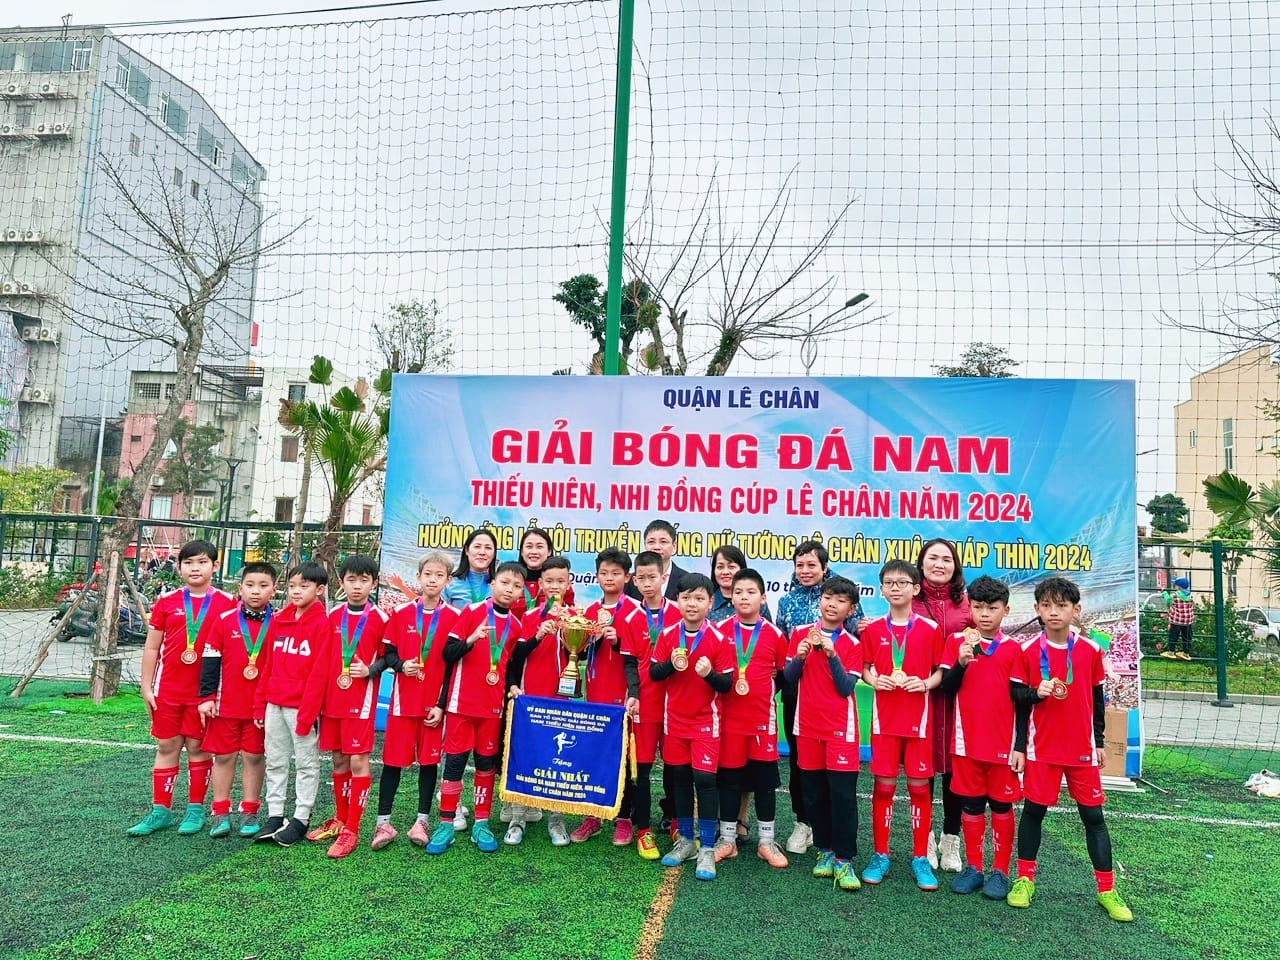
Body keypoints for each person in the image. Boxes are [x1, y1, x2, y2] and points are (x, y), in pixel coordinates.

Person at [1008, 577, 1133, 922]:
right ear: (1037, 609)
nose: (1054, 612)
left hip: (1081, 751)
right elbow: (1017, 698)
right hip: (1041, 750)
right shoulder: (1026, 651)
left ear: (1076, 610)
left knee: (1093, 817)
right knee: (1034, 812)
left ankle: (1107, 890)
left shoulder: (1091, 650)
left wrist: (1098, 742)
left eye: (1061, 605)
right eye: (1046, 605)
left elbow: (1097, 701)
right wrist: (1033, 702)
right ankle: (1024, 880)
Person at [128, 539, 237, 837]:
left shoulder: (228, 603)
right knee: (166, 746)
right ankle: (160, 810)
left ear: (215, 566)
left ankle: (195, 809)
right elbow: (152, 647)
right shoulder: (167, 601)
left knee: (198, 748)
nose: (195, 568)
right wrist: (146, 687)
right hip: (168, 691)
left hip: (205, 694)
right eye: (188, 563)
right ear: (179, 568)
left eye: (202, 562)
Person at [427, 560, 525, 855]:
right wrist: (471, 639)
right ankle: (446, 823)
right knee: (455, 764)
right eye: (504, 583)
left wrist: (512, 685)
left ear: (521, 592)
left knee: (485, 765)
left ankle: (482, 823)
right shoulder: (471, 612)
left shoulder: (516, 626)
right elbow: (447, 654)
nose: (509, 590)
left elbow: (508, 665)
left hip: (492, 708)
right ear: (492, 584)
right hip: (461, 705)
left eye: (516, 586)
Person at [860, 559, 945, 891]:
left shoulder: (930, 629)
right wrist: (873, 680)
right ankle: (880, 854)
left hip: (918, 722)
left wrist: (923, 684)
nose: (895, 588)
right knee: (883, 787)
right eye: (889, 583)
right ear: (881, 589)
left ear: (916, 588)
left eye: (902, 582)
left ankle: (920, 857)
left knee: (919, 789)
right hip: (884, 721)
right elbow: (865, 667)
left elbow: (940, 672)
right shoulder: (873, 630)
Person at [937, 575, 1022, 899]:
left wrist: (1019, 746)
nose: (984, 614)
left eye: (992, 608)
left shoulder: (1014, 649)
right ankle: (974, 867)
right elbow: (947, 688)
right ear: (970, 608)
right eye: (978, 607)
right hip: (965, 742)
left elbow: (1022, 701)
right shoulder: (957, 642)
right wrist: (960, 663)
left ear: (1005, 610)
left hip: (1002, 745)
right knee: (971, 806)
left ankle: (1000, 871)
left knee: (1001, 806)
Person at [774, 539, 861, 855]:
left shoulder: (851, 639)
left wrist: (833, 654)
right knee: (809, 784)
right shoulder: (794, 621)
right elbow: (788, 672)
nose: (831, 605)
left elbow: (846, 685)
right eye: (828, 598)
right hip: (804, 714)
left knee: (840, 792)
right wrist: (798, 657)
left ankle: (843, 855)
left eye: (840, 601)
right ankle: (815, 839)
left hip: (837, 719)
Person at [650, 573, 734, 881]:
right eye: (686, 598)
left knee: (705, 780)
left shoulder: (720, 639)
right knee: (680, 779)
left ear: (710, 603)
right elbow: (654, 673)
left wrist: (710, 674)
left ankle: (707, 847)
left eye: (699, 598)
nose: (692, 604)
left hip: (705, 723)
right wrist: (670, 664)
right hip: (675, 721)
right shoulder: (668, 634)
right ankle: (686, 840)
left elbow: (727, 684)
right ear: (678, 601)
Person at [373, 553, 457, 850]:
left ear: (448, 580)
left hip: (433, 707)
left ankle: (422, 821)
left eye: (439, 575)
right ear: (419, 577)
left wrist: (442, 705)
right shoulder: (401, 613)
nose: (433, 580)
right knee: (392, 764)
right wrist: (400, 665)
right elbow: (388, 653)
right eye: (428, 574)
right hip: (402, 705)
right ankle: (383, 823)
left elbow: (453, 667)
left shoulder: (454, 617)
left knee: (429, 764)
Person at [714, 568, 789, 869]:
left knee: (764, 783)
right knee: (730, 780)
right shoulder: (719, 631)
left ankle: (766, 842)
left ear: (763, 597)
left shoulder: (775, 635)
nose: (744, 597)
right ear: (731, 598)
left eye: (751, 592)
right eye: (738, 592)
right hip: (729, 720)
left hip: (761, 721)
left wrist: (764, 692)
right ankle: (727, 840)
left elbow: (782, 674)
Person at [251, 562, 331, 846]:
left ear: (319, 590)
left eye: (304, 586)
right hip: (274, 704)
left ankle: (301, 817)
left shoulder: (322, 625)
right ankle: (275, 814)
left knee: (306, 763)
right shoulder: (279, 620)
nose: (296, 591)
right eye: (292, 586)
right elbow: (267, 665)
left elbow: (319, 675)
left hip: (301, 709)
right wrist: (260, 705)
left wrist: (308, 714)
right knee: (275, 760)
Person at [197, 561, 278, 838]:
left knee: (254, 757)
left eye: (263, 586)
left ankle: (250, 811)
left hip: (261, 707)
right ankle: (220, 812)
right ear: (240, 588)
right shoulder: (224, 620)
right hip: (225, 704)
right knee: (224, 756)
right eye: (250, 585)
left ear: (274, 590)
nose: (256, 591)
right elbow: (210, 661)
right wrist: (207, 696)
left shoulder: (279, 623)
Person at [574, 548, 644, 846]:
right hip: (595, 694)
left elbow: (641, 656)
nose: (609, 578)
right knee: (593, 753)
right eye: (604, 573)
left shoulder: (636, 612)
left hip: (623, 696)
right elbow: (577, 653)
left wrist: (618, 641)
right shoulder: (589, 612)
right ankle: (593, 815)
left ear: (627, 577)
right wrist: (584, 640)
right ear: (597, 576)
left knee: (623, 758)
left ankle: (624, 818)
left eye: (616, 573)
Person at [503, 555, 574, 846]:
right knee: (525, 756)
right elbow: (517, 656)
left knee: (559, 760)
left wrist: (575, 635)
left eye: (561, 581)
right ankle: (518, 818)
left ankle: (556, 820)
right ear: (541, 584)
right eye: (549, 581)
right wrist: (537, 636)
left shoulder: (575, 617)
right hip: (530, 698)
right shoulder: (530, 617)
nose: (555, 586)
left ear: (569, 583)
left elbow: (581, 655)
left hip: (562, 700)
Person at [914, 537, 974, 872]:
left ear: (955, 566)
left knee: (955, 768)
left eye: (946, 559)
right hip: (920, 696)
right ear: (921, 564)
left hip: (958, 698)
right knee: (922, 768)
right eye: (933, 558)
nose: (939, 564)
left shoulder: (967, 605)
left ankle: (951, 838)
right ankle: (924, 837)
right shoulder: (910, 599)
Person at [622, 550, 681, 860]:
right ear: (634, 580)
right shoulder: (631, 617)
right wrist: (633, 693)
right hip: (644, 703)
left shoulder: (680, 613)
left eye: (652, 577)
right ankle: (643, 830)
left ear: (663, 578)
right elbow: (630, 663)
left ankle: (676, 822)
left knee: (675, 768)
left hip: (675, 704)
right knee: (642, 770)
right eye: (641, 578)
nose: (647, 583)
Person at [511, 526, 575, 618]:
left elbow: (570, 615)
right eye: (529, 547)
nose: (534, 552)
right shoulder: (511, 581)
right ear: (522, 551)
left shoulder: (560, 584)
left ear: (549, 551)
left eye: (539, 547)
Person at [624, 519, 688, 602]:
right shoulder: (630, 582)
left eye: (663, 542)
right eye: (651, 542)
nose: (657, 547)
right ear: (645, 545)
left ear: (674, 546)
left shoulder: (686, 580)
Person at [708, 545, 773, 624]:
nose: (725, 572)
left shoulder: (757, 602)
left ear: (741, 569)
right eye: (720, 567)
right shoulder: (707, 602)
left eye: (731, 567)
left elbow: (768, 629)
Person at [442, 527, 499, 608]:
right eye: (477, 546)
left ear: (494, 554)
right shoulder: (450, 583)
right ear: (466, 550)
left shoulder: (499, 586)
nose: (482, 552)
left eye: (488, 548)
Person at [1160, 577, 1195, 660]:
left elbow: (1168, 601)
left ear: (1179, 587)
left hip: (1177, 620)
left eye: (1175, 585)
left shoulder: (1175, 595)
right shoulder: (1190, 595)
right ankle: (1186, 654)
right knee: (1187, 637)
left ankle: (1171, 652)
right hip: (1188, 621)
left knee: (1173, 636)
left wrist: (1164, 592)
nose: (1174, 587)